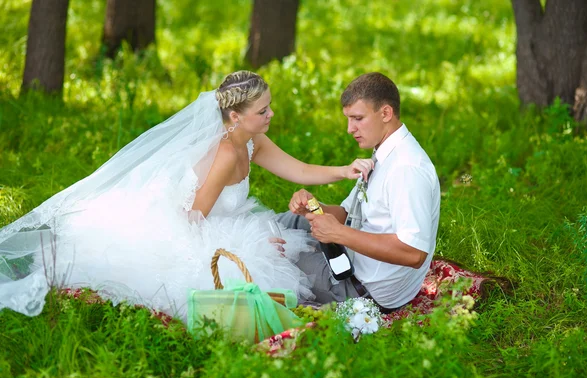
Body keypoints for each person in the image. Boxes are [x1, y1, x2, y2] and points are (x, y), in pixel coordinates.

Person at [0, 71, 373, 319]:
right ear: (235, 118)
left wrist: (344, 170)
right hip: (190, 225)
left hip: (214, 217)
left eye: (269, 106)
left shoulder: (251, 137)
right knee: (260, 272)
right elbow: (194, 218)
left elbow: (297, 169)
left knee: (284, 249)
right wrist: (255, 242)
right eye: (263, 110)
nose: (271, 114)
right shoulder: (226, 154)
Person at [279, 72, 441, 313]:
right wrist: (313, 207)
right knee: (288, 220)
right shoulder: (385, 152)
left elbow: (414, 252)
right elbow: (347, 214)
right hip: (351, 259)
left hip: (363, 290)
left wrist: (340, 234)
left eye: (357, 118)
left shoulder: (406, 169)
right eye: (348, 119)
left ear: (385, 113)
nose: (349, 129)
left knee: (273, 255)